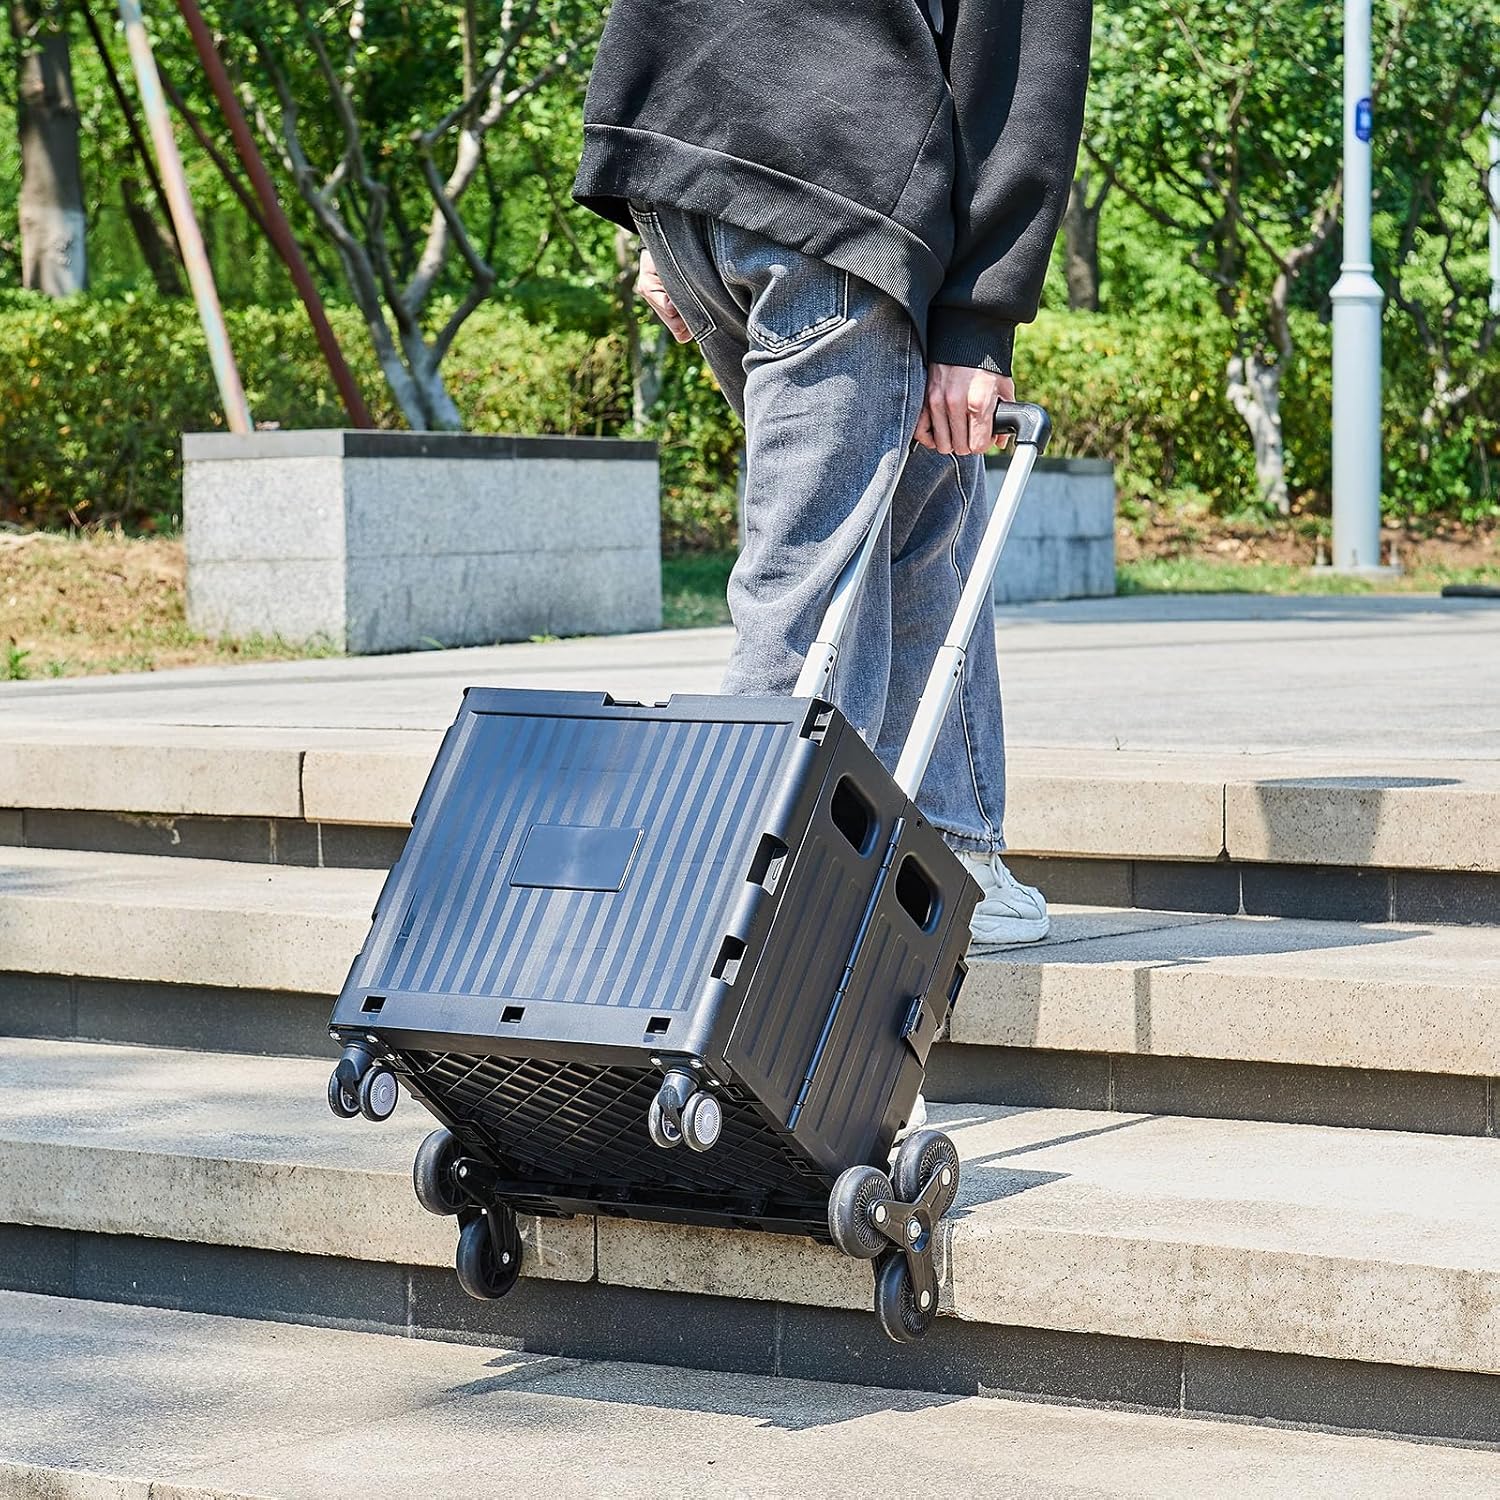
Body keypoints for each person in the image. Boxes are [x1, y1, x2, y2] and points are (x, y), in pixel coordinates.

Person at [571, 0, 1092, 951]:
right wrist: (977, 323)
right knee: (813, 566)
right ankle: (739, 895)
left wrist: (658, 196)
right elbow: (1021, 61)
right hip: (840, 188)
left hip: (694, 168)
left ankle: (949, 854)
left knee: (913, 516)